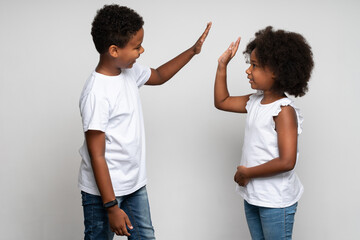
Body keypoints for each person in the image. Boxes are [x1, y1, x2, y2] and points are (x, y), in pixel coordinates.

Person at [78, 4, 211, 240]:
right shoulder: (97, 93)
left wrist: (192, 51)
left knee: (145, 236)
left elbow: (159, 75)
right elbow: (96, 154)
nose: (142, 50)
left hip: (134, 185)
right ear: (114, 50)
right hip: (103, 195)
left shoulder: (128, 71)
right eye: (136, 47)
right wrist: (111, 206)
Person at [214, 26, 314, 239]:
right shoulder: (255, 101)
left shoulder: (284, 111)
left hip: (276, 201)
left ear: (276, 71)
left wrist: (247, 173)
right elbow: (221, 101)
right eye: (250, 64)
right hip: (254, 196)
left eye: (255, 65)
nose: (248, 70)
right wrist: (222, 66)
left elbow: (287, 161)